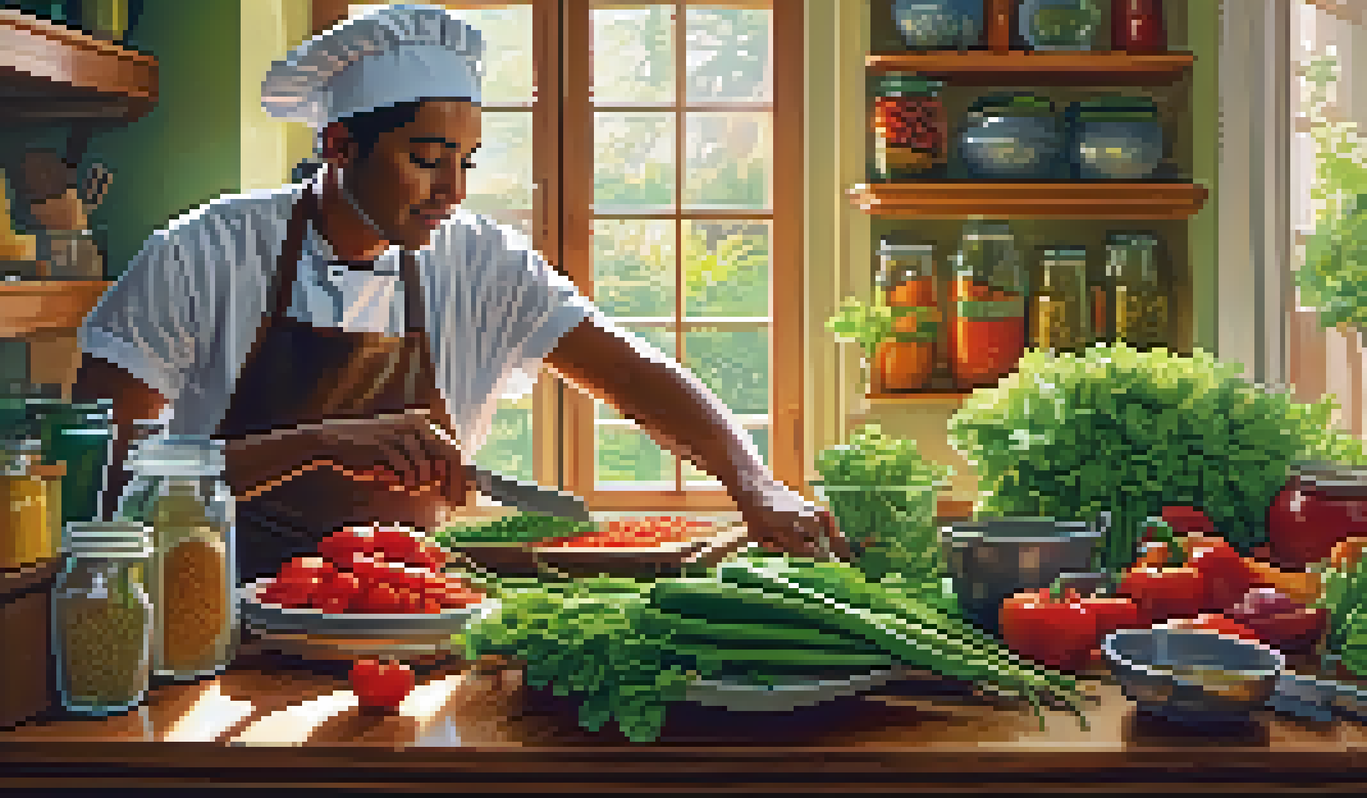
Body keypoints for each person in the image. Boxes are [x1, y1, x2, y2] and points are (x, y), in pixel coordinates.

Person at [73, 4, 847, 581]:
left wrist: (756, 485)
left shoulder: (476, 260)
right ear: (341, 147)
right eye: (427, 156)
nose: (452, 189)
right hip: (214, 620)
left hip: (409, 611)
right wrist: (318, 441)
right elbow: (110, 476)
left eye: (468, 161)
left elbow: (630, 374)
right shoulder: (203, 253)